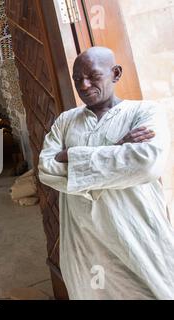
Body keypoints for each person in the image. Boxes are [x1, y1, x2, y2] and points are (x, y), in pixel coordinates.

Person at [38, 46, 174, 299]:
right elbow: (46, 168)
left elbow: (146, 164)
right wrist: (115, 149)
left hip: (136, 235)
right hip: (84, 241)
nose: (84, 85)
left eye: (93, 76)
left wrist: (71, 156)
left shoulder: (145, 112)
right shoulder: (66, 120)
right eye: (77, 79)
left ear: (116, 73)